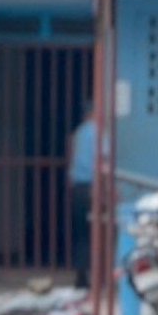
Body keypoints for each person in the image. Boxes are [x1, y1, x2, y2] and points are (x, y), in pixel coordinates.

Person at [66, 105, 95, 289]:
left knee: (80, 234)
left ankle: (81, 277)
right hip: (93, 189)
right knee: (95, 234)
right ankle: (97, 276)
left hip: (77, 188)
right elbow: (104, 162)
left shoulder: (77, 134)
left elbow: (70, 158)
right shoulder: (100, 133)